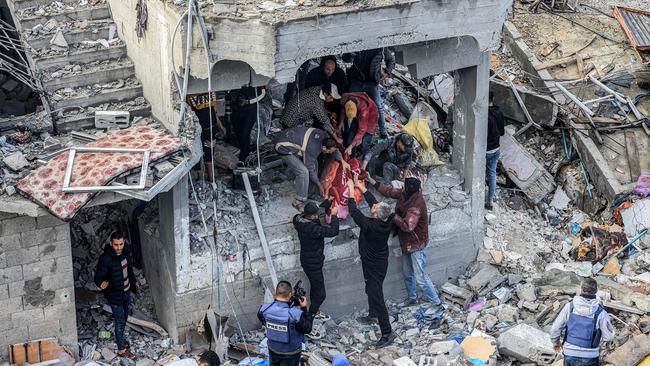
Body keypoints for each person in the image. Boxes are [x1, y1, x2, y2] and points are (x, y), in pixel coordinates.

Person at [368, 175, 442, 306]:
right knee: (408, 273)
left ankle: (436, 303)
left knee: (421, 278)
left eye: (403, 186)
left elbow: (407, 226)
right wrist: (372, 181)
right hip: (407, 243)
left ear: (408, 189)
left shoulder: (416, 205)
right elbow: (390, 191)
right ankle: (412, 298)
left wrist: (391, 214)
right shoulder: (405, 194)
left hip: (416, 244)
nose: (401, 187)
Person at [346, 177, 396, 347]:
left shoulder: (370, 226)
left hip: (375, 265)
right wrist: (363, 188)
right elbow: (374, 203)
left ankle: (387, 333)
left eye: (374, 207)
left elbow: (354, 212)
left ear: (375, 213)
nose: (373, 205)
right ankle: (372, 314)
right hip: (377, 261)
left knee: (377, 296)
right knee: (370, 288)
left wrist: (351, 191)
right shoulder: (385, 220)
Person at [274, 126, 349, 211]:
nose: (330, 153)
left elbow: (334, 149)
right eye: (329, 152)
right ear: (324, 148)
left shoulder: (325, 137)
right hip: (282, 146)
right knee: (303, 172)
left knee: (314, 164)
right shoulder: (313, 148)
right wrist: (319, 185)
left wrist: (343, 161)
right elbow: (309, 168)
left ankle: (310, 192)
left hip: (291, 137)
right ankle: (299, 200)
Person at [550, 278, 615, 366]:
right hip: (590, 356)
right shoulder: (600, 312)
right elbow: (608, 337)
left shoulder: (570, 307)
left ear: (581, 289)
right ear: (596, 291)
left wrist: (556, 343)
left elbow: (555, 329)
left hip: (570, 353)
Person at [94, 231, 137, 358]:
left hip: (126, 292)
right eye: (116, 245)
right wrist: (101, 283)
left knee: (124, 318)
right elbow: (98, 277)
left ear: (124, 243)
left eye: (121, 244)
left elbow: (129, 271)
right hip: (115, 295)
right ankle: (121, 349)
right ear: (111, 244)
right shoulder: (106, 258)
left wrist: (134, 283)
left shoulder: (126, 253)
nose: (119, 247)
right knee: (119, 321)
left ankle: (120, 340)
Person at [293, 201, 339, 319]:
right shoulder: (313, 229)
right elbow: (333, 231)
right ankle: (310, 318)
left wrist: (328, 201)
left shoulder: (298, 219)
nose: (318, 216)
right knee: (321, 294)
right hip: (313, 264)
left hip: (307, 260)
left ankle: (316, 310)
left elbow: (317, 210)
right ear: (313, 216)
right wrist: (334, 215)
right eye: (316, 215)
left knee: (315, 285)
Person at [258, 281, 314, 366]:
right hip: (291, 353)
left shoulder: (264, 309)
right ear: (290, 295)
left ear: (276, 293)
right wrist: (304, 308)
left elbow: (262, 319)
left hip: (273, 349)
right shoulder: (295, 314)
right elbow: (307, 328)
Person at [347, 48, 395, 139]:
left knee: (378, 106)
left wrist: (387, 73)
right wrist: (350, 54)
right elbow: (345, 58)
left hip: (371, 82)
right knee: (350, 104)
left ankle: (383, 131)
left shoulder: (380, 48)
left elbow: (391, 59)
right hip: (357, 81)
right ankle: (350, 130)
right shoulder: (357, 46)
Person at [188, 92, 227, 181]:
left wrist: (220, 126)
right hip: (197, 129)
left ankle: (211, 179)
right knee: (196, 152)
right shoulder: (191, 93)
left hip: (210, 127)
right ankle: (200, 179)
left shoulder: (210, 91)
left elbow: (213, 110)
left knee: (209, 151)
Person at [230, 86, 269, 164]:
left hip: (251, 108)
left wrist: (249, 101)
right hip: (238, 107)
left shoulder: (257, 80)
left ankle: (243, 157)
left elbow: (262, 93)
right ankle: (243, 151)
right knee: (237, 131)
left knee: (245, 133)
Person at [338, 92, 379, 158]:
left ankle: (363, 157)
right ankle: (350, 153)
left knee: (365, 141)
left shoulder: (363, 112)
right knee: (349, 135)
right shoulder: (345, 100)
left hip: (371, 116)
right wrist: (341, 123)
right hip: (358, 114)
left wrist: (351, 146)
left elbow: (362, 130)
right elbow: (343, 110)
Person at [485, 91, 505, 211]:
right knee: (492, 174)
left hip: (485, 150)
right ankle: (490, 201)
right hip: (496, 148)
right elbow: (502, 132)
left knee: (480, 174)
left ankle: (475, 196)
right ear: (493, 98)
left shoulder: (484, 116)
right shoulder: (499, 112)